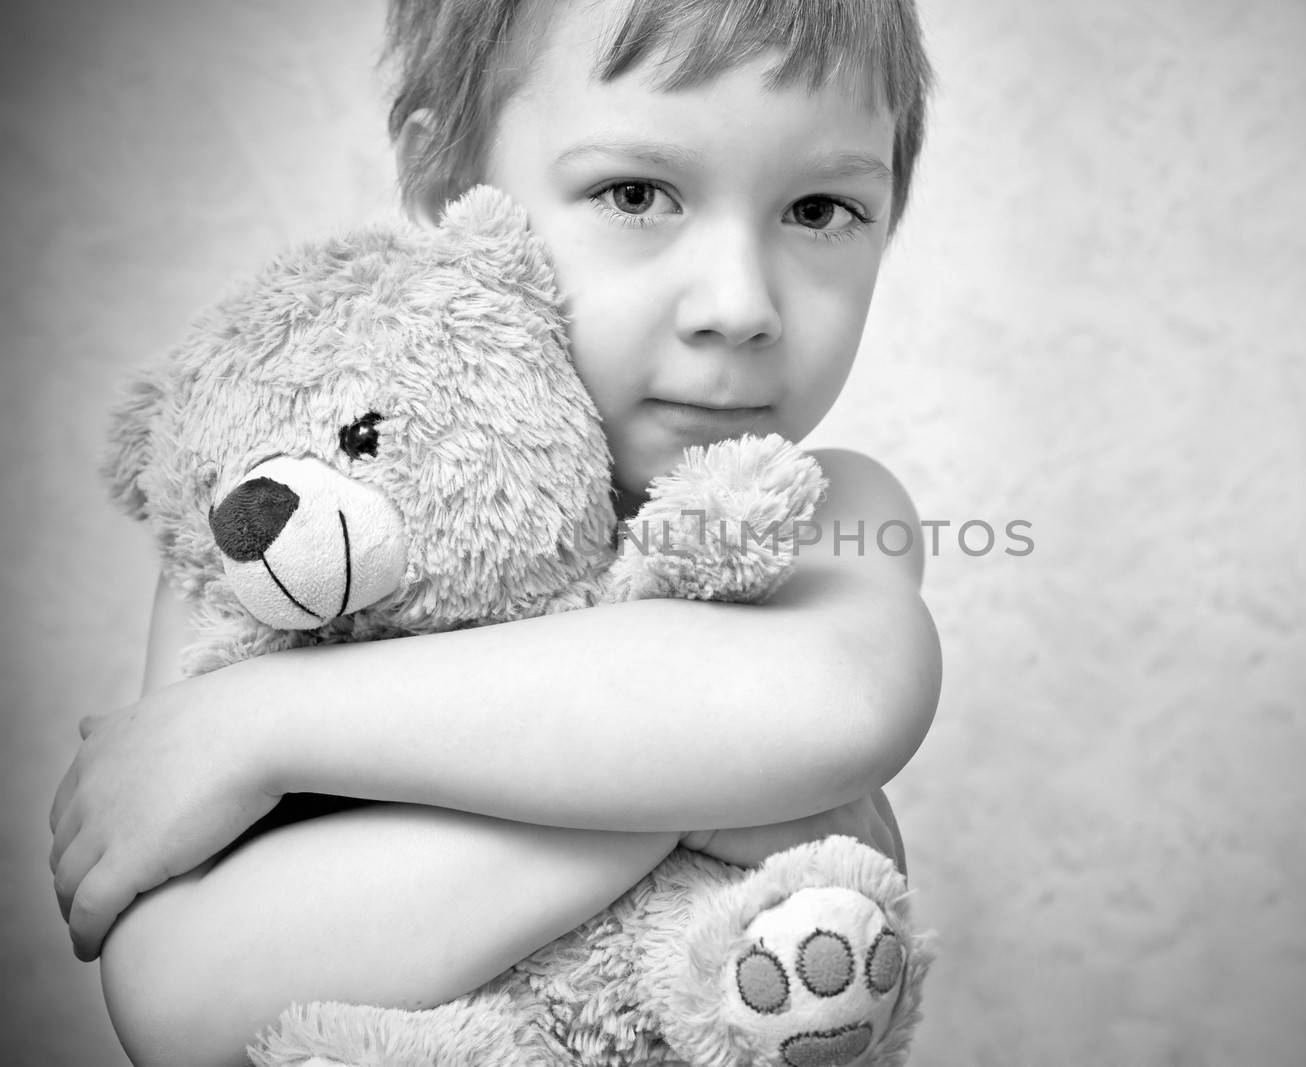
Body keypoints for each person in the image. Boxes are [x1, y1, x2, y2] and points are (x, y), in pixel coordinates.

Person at [49, 0, 940, 1063]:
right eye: (636, 192)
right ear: (444, 178)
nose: (739, 303)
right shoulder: (303, 530)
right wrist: (712, 788)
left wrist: (255, 727)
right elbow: (184, 1006)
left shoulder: (818, 509)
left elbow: (838, 701)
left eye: (819, 209)